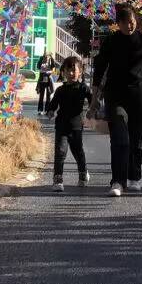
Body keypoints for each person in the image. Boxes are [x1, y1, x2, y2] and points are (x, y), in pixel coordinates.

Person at [91, 4, 142, 196]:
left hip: (139, 95)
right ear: (118, 24)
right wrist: (94, 99)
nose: (129, 26)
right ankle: (117, 181)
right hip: (115, 95)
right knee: (120, 138)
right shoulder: (111, 41)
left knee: (136, 138)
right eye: (124, 23)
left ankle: (134, 176)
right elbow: (99, 71)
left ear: (136, 21)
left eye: (132, 22)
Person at [45, 55, 91, 192]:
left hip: (77, 126)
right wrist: (50, 111)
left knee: (78, 152)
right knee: (60, 151)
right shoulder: (60, 90)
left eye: (74, 70)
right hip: (62, 126)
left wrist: (94, 109)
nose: (71, 74)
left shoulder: (83, 88)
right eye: (68, 70)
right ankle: (58, 179)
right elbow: (53, 104)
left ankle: (83, 174)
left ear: (80, 72)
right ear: (63, 72)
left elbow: (93, 100)